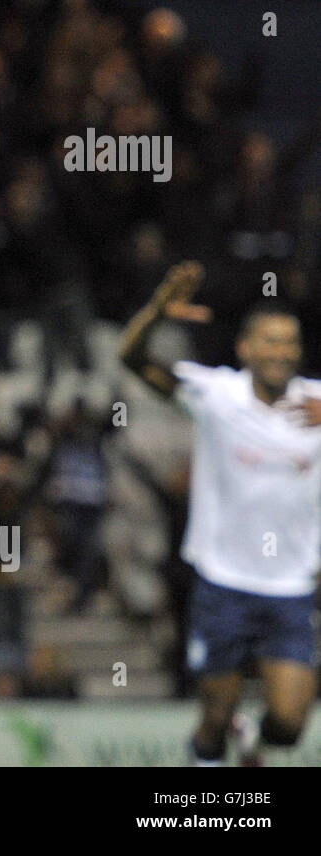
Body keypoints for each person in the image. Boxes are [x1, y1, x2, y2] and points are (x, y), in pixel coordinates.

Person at [119, 260, 321, 766]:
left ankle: (251, 737)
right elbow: (130, 357)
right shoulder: (215, 394)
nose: (280, 351)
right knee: (213, 716)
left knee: (292, 725)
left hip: (291, 587)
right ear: (245, 349)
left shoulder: (317, 404)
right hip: (222, 582)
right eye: (269, 341)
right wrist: (157, 312)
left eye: (289, 342)